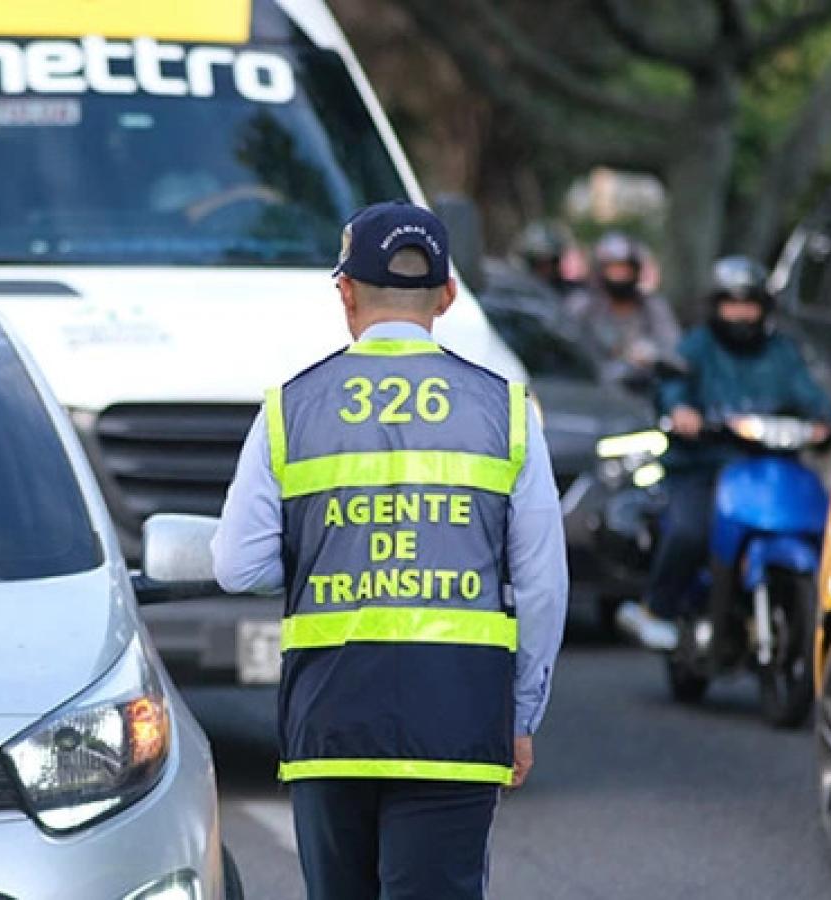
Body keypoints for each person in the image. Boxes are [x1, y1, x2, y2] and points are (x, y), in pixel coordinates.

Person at [212, 201, 568, 900]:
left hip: (331, 713)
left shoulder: (289, 407)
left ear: (345, 291)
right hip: (457, 715)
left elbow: (236, 565)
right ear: (447, 294)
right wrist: (520, 717)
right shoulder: (508, 411)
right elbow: (544, 586)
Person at [618, 255, 831, 650]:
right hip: (703, 465)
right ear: (716, 306)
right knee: (689, 530)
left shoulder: (781, 351)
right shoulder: (696, 345)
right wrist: (681, 411)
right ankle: (656, 609)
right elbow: (674, 383)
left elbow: (809, 393)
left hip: (769, 467)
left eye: (749, 304)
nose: (741, 313)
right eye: (732, 303)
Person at [566, 231, 681, 385]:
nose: (619, 275)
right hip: (592, 389)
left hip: (644, 390)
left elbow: (673, 350)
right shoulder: (583, 306)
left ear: (636, 271)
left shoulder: (653, 307)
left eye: (625, 269)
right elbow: (568, 347)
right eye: (613, 269)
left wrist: (649, 354)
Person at [511, 220, 577, 296]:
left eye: (549, 262)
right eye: (539, 263)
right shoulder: (519, 293)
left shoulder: (570, 294)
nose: (545, 268)